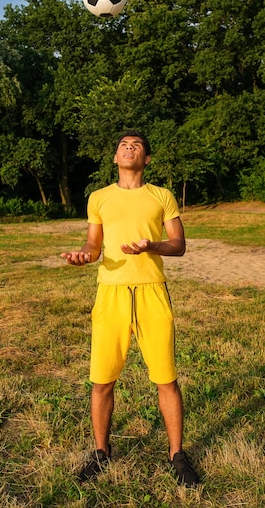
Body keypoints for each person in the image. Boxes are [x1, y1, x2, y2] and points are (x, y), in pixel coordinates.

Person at [61, 129, 200, 488]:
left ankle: (177, 456)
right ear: (115, 157)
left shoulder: (162, 196)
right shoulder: (99, 198)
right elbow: (93, 245)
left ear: (146, 159)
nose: (128, 148)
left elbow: (179, 245)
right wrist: (83, 257)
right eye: (123, 144)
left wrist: (151, 245)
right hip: (110, 294)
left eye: (136, 145)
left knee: (166, 379)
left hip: (153, 292)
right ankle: (100, 453)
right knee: (102, 380)